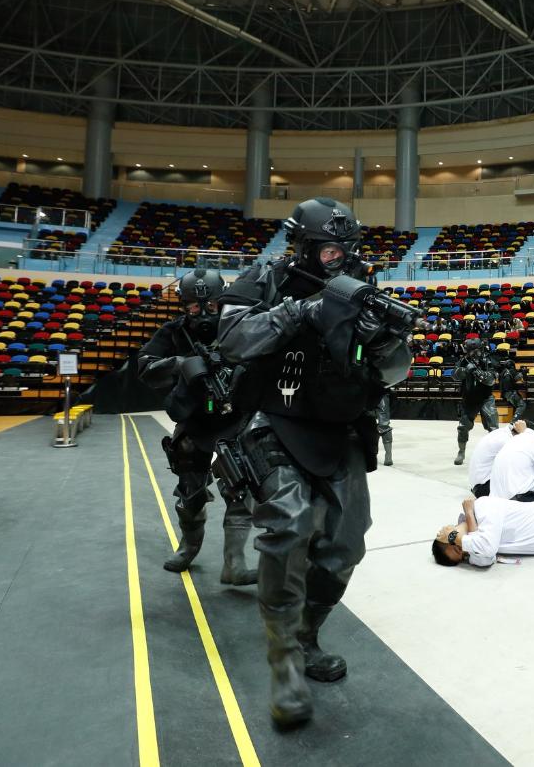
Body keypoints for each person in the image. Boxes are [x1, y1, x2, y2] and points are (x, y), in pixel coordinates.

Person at [216, 197, 412, 728]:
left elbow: (396, 372)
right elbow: (231, 340)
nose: (338, 260)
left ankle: (305, 636)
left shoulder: (362, 288)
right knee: (289, 525)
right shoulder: (264, 279)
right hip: (274, 419)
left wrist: (381, 342)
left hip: (339, 427)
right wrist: (300, 311)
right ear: (302, 246)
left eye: (346, 250)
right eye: (328, 251)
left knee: (346, 545)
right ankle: (283, 664)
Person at [137, 268, 256, 585]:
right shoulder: (174, 332)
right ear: (184, 305)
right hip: (195, 420)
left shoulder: (239, 326)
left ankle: (235, 562)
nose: (203, 314)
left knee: (240, 489)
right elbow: (145, 366)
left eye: (211, 306)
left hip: (234, 418)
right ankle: (188, 547)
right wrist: (180, 364)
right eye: (194, 307)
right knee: (190, 492)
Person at [453, 338, 499, 465]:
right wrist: (465, 370)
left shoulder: (488, 360)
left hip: (486, 398)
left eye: (475, 351)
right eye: (470, 351)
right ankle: (461, 452)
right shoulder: (463, 361)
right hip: (469, 399)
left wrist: (478, 372)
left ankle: (496, 454)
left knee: (493, 427)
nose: (473, 354)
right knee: (463, 427)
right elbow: (454, 375)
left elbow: (491, 380)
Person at [498, 356, 529, 423]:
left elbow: (511, 378)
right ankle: (514, 421)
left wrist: (519, 371)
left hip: (504, 393)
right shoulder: (511, 370)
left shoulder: (503, 372)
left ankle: (516, 420)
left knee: (517, 405)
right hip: (511, 392)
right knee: (522, 405)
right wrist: (523, 372)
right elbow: (518, 377)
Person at [376, 387, 394, 467]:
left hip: (369, 391)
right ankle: (388, 456)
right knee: (384, 425)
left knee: (368, 423)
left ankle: (371, 455)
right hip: (382, 390)